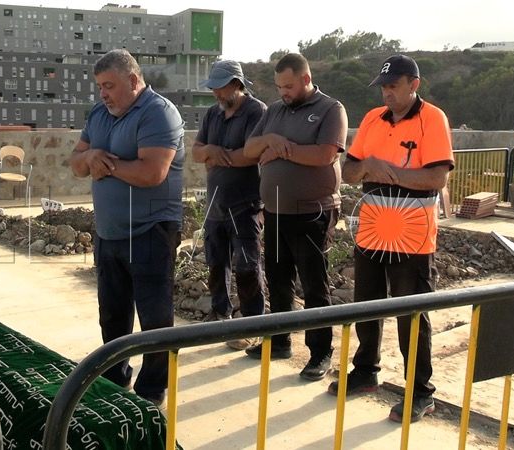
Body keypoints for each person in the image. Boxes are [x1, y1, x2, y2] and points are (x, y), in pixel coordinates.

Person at [326, 54, 454, 423]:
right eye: (383, 87)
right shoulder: (371, 119)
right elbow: (349, 172)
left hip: (412, 237)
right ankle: (366, 370)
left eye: (393, 87)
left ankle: (420, 392)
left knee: (411, 315)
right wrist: (368, 167)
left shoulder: (433, 119)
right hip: (371, 230)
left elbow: (436, 179)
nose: (387, 94)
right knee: (366, 305)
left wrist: (391, 172)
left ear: (414, 84)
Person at [68, 49, 184, 406]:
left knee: (154, 320)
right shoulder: (99, 114)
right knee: (113, 315)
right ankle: (115, 378)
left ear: (133, 81)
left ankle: (152, 391)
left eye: (109, 85)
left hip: (150, 232)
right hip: (108, 233)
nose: (103, 93)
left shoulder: (158, 113)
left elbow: (152, 173)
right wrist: (89, 158)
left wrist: (106, 164)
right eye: (99, 86)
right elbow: (76, 163)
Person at [243, 53, 348, 381]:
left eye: (288, 85)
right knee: (278, 279)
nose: (283, 92)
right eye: (278, 87)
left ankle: (320, 352)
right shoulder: (273, 110)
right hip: (275, 210)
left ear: (306, 79)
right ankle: (280, 341)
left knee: (314, 284)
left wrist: (281, 148)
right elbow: (249, 150)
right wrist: (269, 142)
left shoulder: (331, 110)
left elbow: (324, 154)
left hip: (313, 212)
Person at [192, 60, 267, 350]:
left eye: (220, 88)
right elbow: (197, 152)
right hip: (216, 203)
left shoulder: (256, 111)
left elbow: (251, 154)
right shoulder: (212, 114)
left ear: (236, 84)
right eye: (213, 89)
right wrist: (211, 151)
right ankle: (220, 312)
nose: (216, 94)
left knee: (247, 266)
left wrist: (218, 157)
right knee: (215, 262)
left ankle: (252, 324)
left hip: (244, 203)